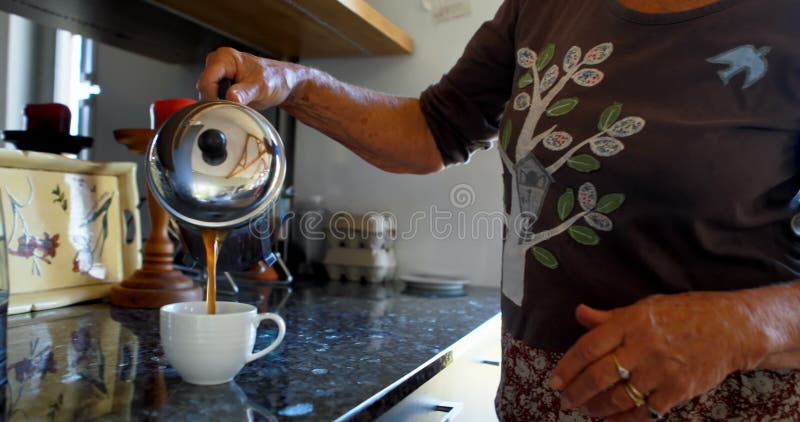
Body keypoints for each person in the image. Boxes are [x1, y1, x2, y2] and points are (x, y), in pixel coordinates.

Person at [198, 0, 800, 420]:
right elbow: (432, 130)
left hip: (727, 402)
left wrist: (738, 328)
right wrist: (292, 83)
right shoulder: (541, 5)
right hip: (538, 398)